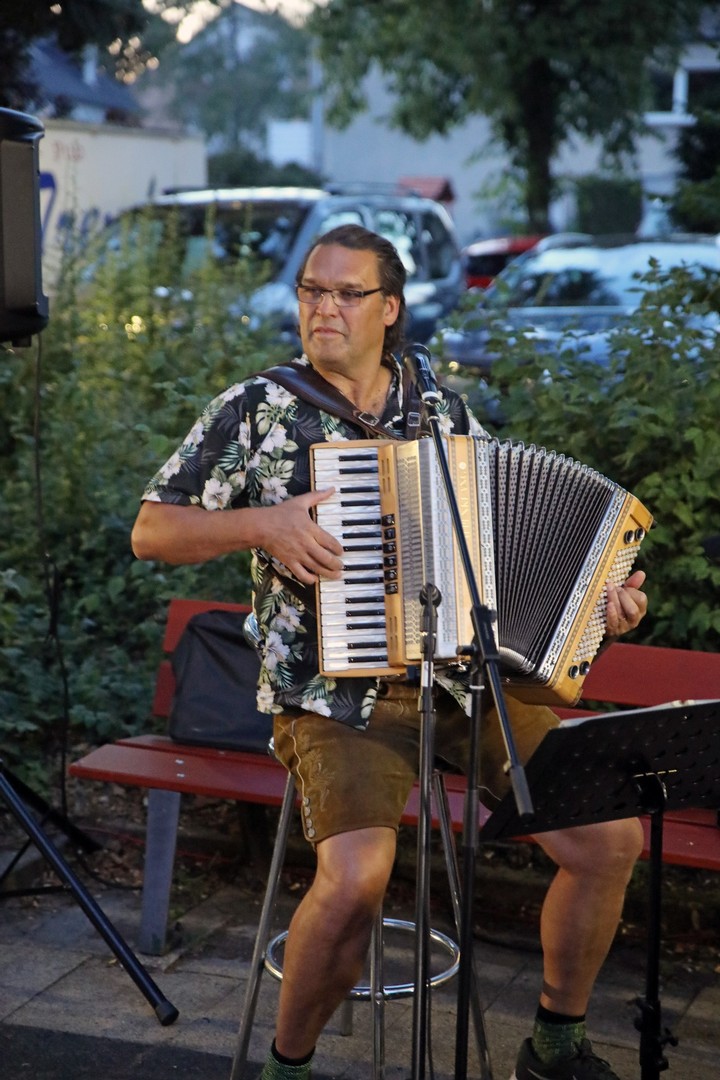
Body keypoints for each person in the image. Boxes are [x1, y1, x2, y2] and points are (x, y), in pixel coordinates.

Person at [131, 224, 648, 1080]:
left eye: (347, 293)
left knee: (609, 838)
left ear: (391, 309)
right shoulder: (258, 408)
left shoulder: (437, 407)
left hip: (460, 681)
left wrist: (602, 607)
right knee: (356, 879)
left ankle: (555, 1044)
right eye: (311, 290)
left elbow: (494, 540)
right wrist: (262, 524)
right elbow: (153, 531)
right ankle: (287, 1068)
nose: (323, 308)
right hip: (335, 699)